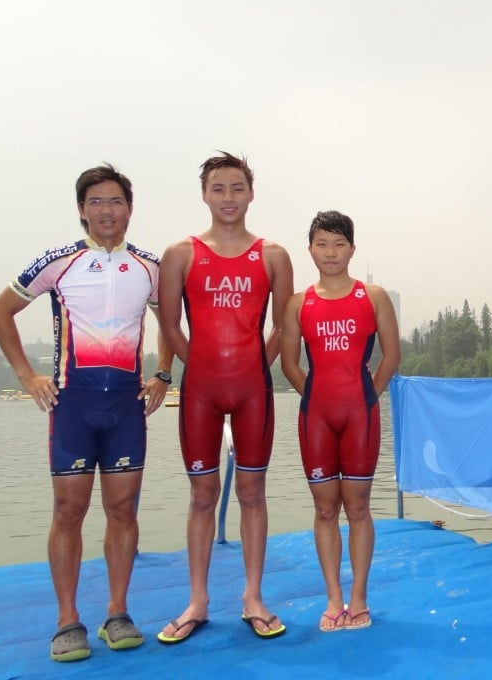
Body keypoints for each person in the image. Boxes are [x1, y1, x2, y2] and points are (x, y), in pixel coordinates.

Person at [0, 164, 173, 662]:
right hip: (73, 404)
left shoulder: (150, 267)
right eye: (96, 202)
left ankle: (118, 613)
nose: (106, 210)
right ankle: (67, 620)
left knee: (123, 511)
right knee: (69, 511)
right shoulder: (60, 262)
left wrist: (163, 373)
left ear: (129, 209)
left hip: (127, 406)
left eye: (115, 201)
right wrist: (28, 376)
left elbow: (171, 321)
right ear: (81, 210)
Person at [157, 152, 294, 643]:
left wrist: (256, 365)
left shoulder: (273, 255)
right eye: (218, 188)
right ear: (204, 195)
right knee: (202, 495)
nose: (229, 198)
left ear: (251, 194)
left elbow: (284, 325)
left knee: (253, 493)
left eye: (237, 188)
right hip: (201, 390)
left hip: (254, 388)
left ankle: (253, 597)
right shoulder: (180, 254)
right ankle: (197, 600)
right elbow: (169, 325)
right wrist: (199, 367)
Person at [280, 210, 401, 632]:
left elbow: (391, 357)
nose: (330, 252)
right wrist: (315, 398)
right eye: (322, 244)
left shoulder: (373, 297)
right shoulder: (298, 303)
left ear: (352, 249)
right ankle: (333, 598)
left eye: (339, 244)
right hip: (316, 418)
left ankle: (359, 597)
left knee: (359, 507)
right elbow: (289, 364)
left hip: (359, 416)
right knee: (325, 508)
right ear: (310, 249)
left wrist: (366, 397)